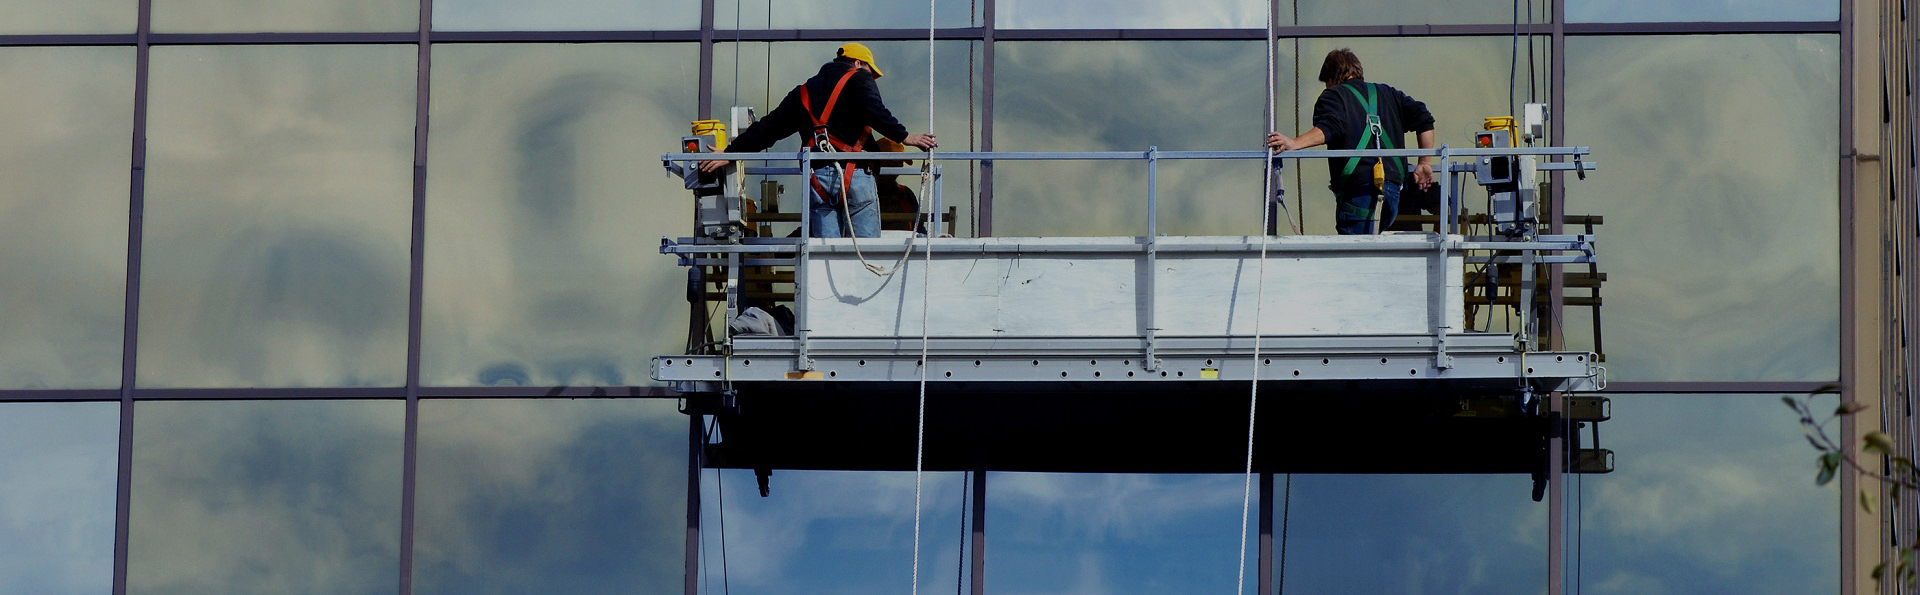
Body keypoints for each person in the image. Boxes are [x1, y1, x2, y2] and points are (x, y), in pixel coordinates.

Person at [699, 43, 937, 238]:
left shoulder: (803, 93)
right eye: (869, 69)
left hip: (818, 179)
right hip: (855, 176)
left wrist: (730, 153)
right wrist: (907, 137)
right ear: (857, 63)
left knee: (826, 257)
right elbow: (875, 111)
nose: (870, 75)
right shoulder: (859, 79)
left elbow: (768, 128)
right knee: (866, 253)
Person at [1267, 48, 1436, 235]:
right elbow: (1425, 119)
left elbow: (1330, 128)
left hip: (1360, 194)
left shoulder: (1334, 95)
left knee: (1353, 257)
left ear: (1332, 77)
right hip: (1393, 194)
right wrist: (1425, 162)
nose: (1326, 88)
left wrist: (1294, 143)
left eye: (1326, 83)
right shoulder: (1390, 94)